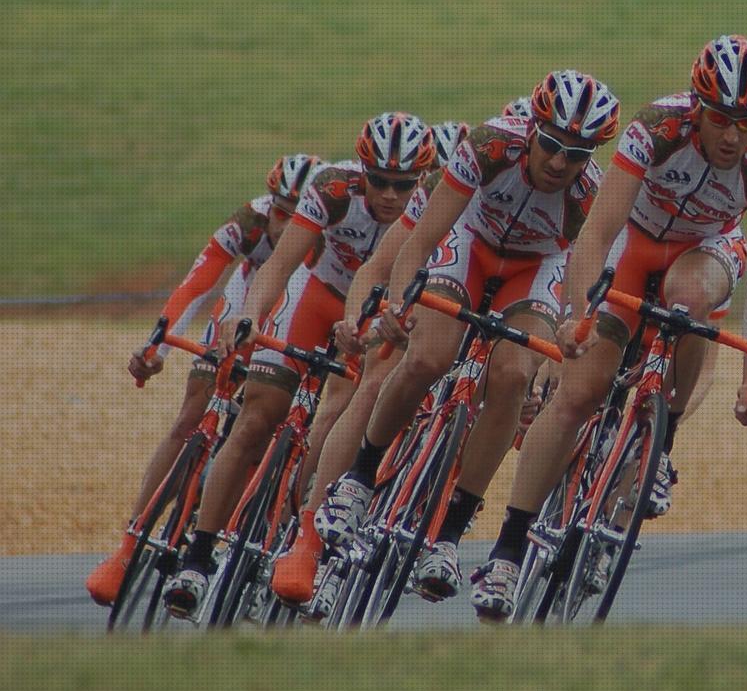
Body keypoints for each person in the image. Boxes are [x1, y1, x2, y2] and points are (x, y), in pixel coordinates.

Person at [497, 36, 747, 618]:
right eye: (720, 118)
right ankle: (508, 550)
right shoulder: (657, 127)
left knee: (686, 298)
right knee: (577, 394)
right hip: (633, 242)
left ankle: (662, 438)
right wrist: (579, 315)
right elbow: (597, 233)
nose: (734, 135)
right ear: (697, 108)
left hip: (704, 250)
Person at [311, 71, 619, 619]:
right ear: (532, 131)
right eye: (551, 145)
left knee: (512, 377)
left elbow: (577, 273)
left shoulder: (589, 191)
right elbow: (424, 237)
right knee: (430, 354)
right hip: (469, 246)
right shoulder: (488, 147)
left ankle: (451, 533)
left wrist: (573, 330)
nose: (558, 162)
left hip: (535, 266)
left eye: (575, 154)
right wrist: (401, 304)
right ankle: (360, 476)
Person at [160, 113, 436, 618]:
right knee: (257, 416)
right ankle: (198, 555)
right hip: (316, 299)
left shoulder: (435, 207)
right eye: (379, 180)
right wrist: (247, 314)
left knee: (348, 406)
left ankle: (304, 525)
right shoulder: (332, 190)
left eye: (404, 184)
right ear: (362, 172)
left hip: (382, 314)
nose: (390, 195)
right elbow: (278, 267)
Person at [83, 153, 322, 607]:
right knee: (193, 411)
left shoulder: (330, 236)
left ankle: (254, 537)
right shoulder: (250, 221)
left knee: (274, 420)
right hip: (246, 305)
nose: (287, 225)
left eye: (298, 215)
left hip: (301, 311)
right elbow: (199, 281)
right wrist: (159, 347)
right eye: (282, 212)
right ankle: (127, 548)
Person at [268, 121, 472, 606]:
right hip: (394, 298)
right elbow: (377, 271)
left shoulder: (485, 208)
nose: (393, 193)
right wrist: (364, 324)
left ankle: (433, 524)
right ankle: (307, 530)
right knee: (361, 385)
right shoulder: (420, 203)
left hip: (449, 301)